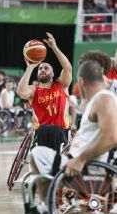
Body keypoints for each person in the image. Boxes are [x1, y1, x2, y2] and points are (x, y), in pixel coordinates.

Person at [30, 61, 117, 213]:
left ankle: (47, 206)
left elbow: (111, 137)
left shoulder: (104, 99)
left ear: (82, 81)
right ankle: (47, 205)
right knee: (36, 154)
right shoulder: (97, 99)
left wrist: (80, 159)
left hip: (87, 168)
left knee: (36, 155)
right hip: (77, 161)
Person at [17, 32, 72, 152]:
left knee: (54, 130)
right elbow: (21, 91)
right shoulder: (34, 90)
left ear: (52, 74)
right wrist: (30, 67)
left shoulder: (61, 85)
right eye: (40, 68)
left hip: (61, 132)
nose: (42, 70)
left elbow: (68, 68)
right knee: (43, 129)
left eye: (46, 68)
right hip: (41, 133)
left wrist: (54, 48)